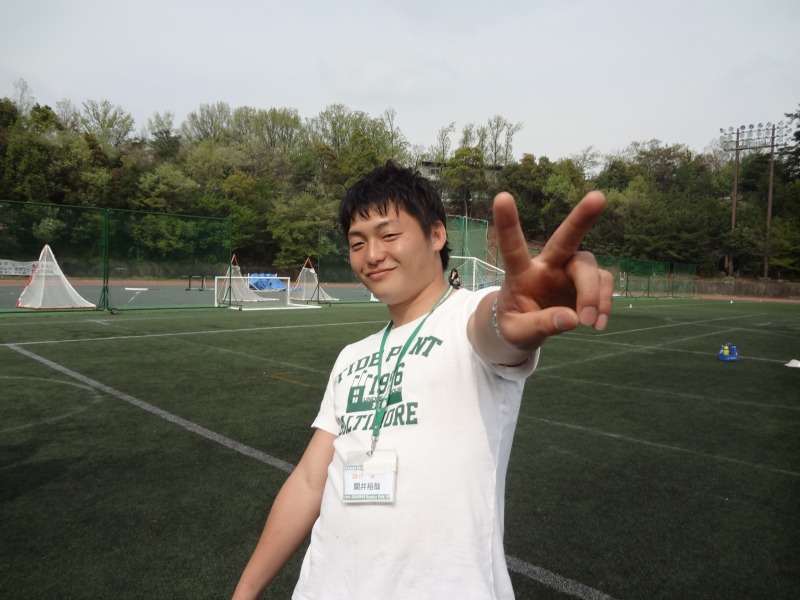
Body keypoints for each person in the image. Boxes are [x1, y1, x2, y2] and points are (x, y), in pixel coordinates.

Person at [231, 161, 612, 600]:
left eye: (389, 235)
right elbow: (309, 482)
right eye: (357, 243)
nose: (372, 255)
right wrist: (245, 592)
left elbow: (495, 330)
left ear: (436, 235)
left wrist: (510, 315)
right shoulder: (351, 357)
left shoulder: (470, 314)